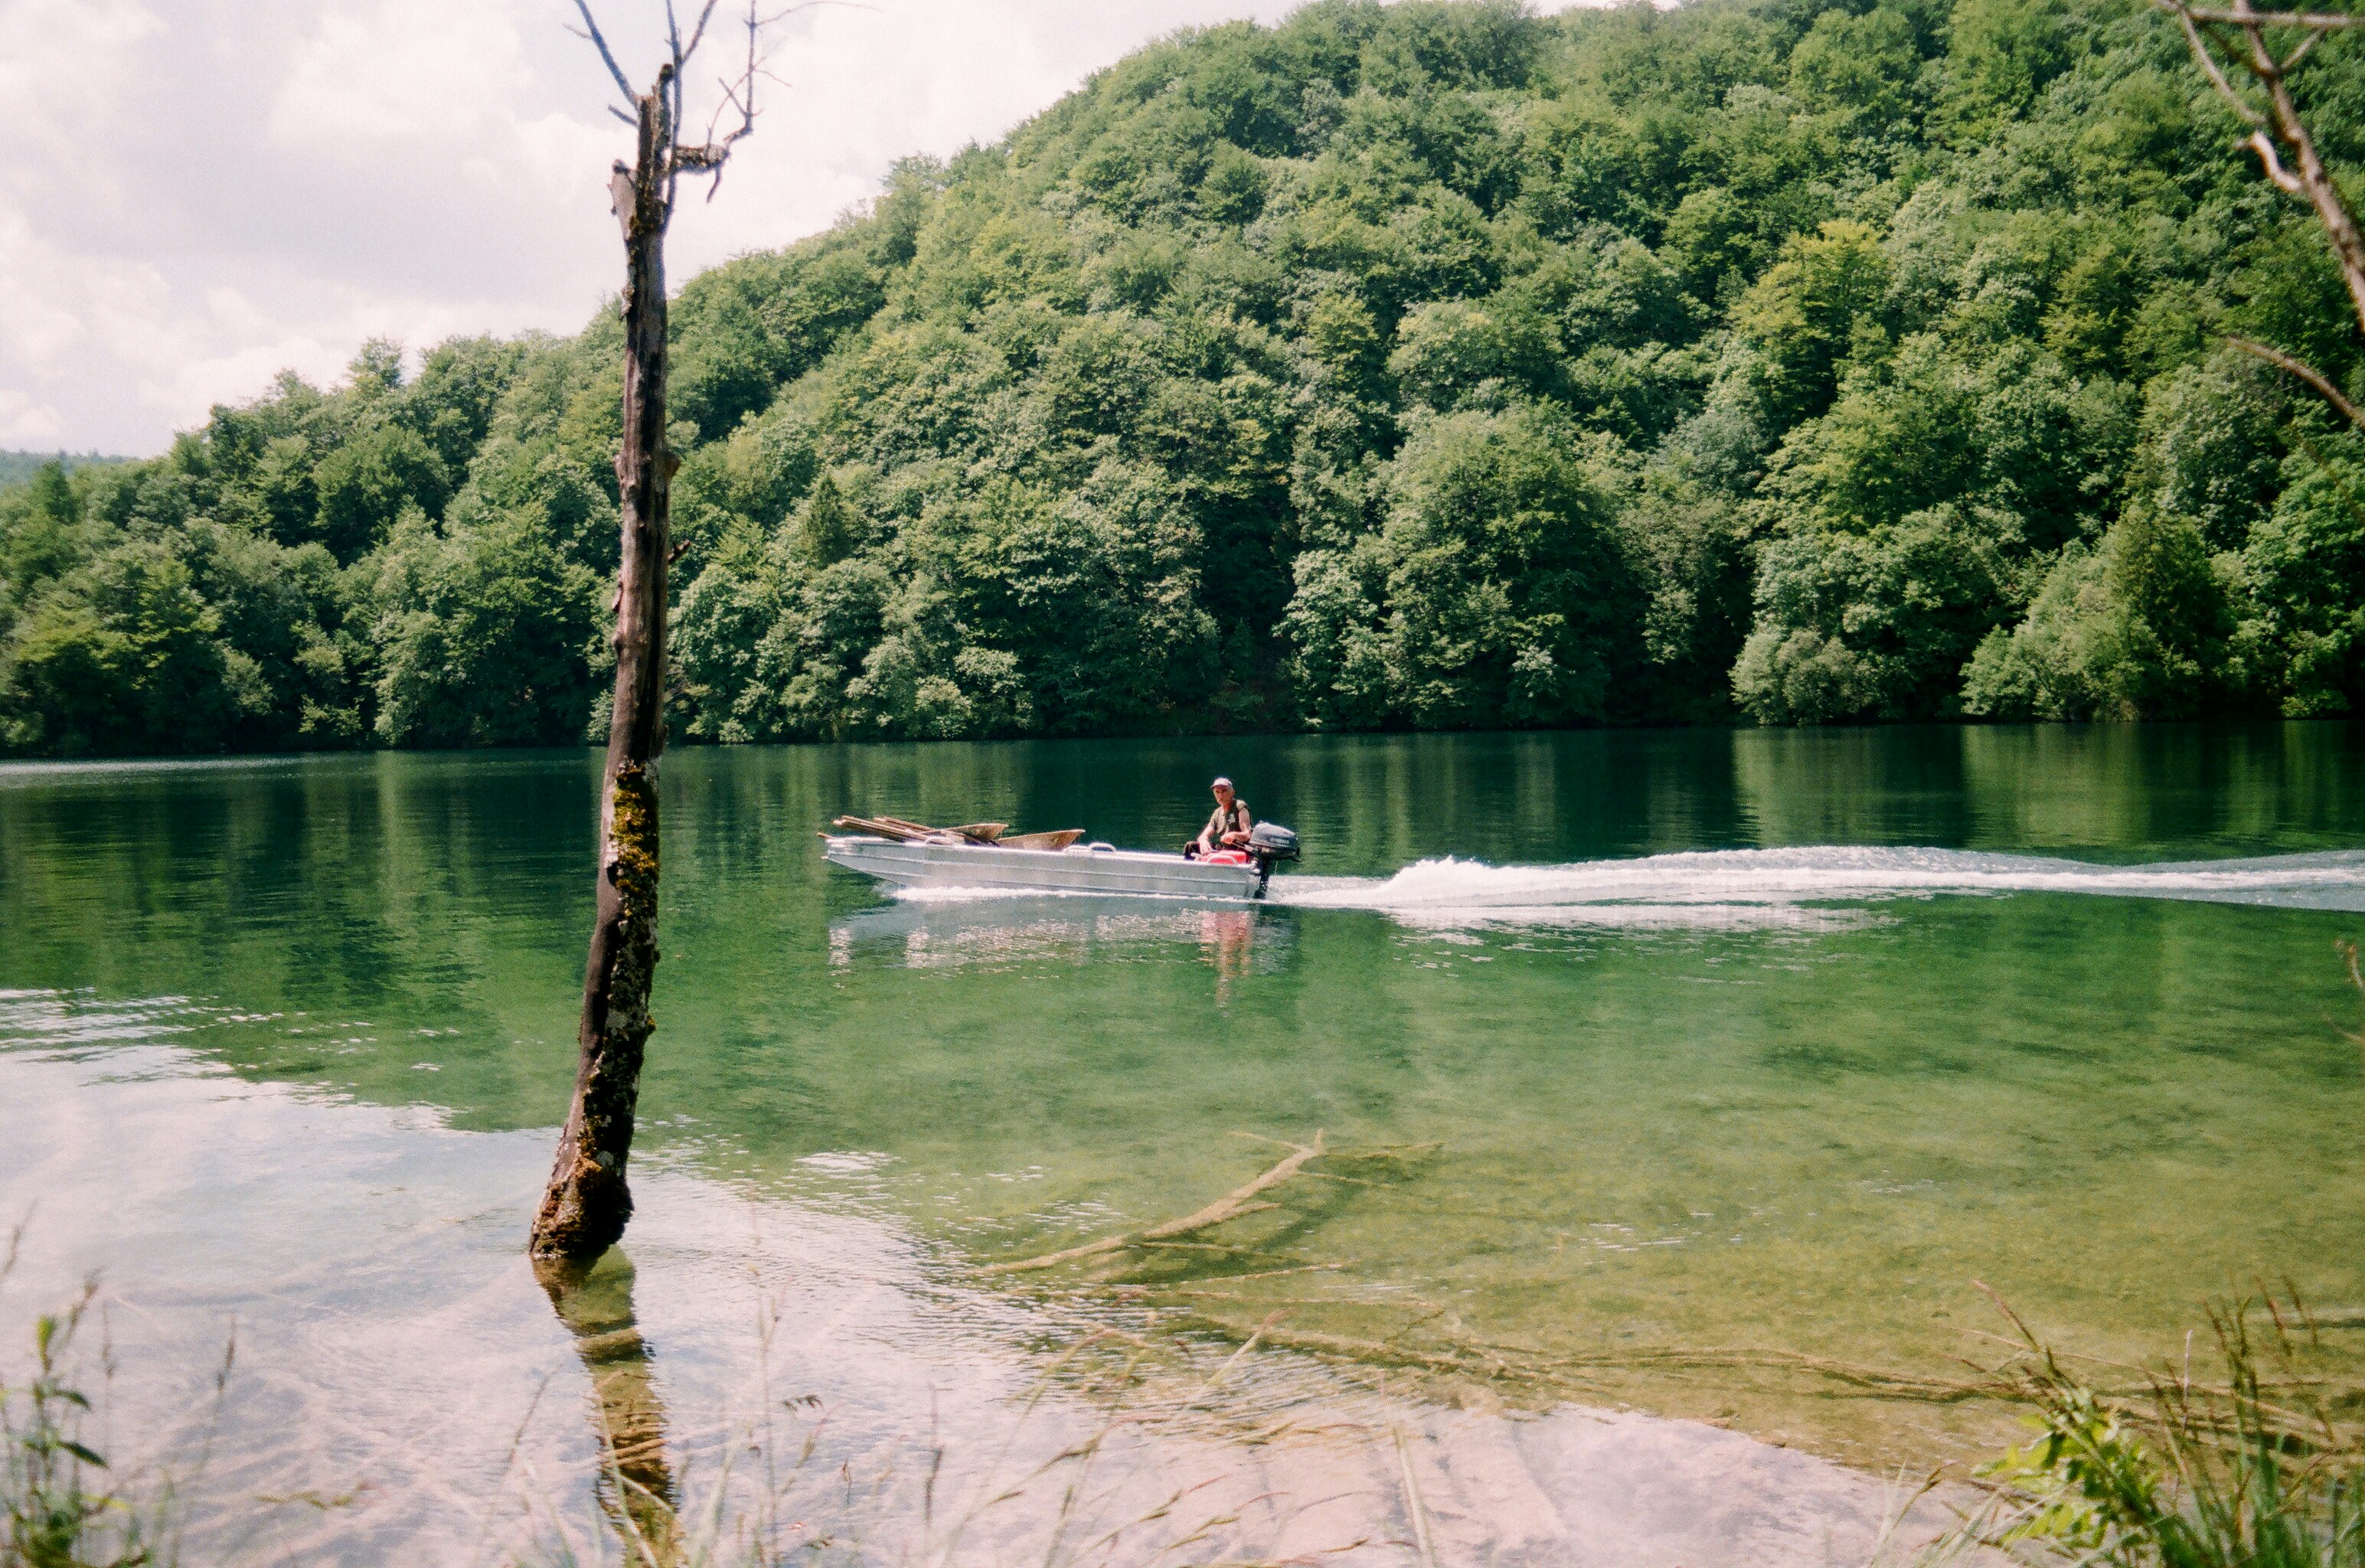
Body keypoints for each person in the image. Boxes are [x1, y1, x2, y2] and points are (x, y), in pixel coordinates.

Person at [1192, 776, 1253, 856]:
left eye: (1224, 791)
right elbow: (1204, 834)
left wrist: (1234, 835)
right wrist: (1203, 840)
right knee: (1191, 846)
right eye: (1217, 792)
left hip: (1239, 850)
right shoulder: (1217, 813)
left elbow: (1247, 834)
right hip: (1224, 849)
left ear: (1233, 792)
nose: (1220, 796)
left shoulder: (1239, 806)